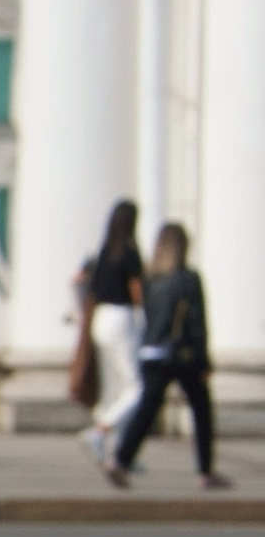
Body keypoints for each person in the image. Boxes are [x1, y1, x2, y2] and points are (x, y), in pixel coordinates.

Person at [105, 221, 230, 490]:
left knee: (146, 410)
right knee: (201, 412)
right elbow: (196, 321)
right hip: (182, 354)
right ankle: (205, 471)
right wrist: (204, 359)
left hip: (152, 352)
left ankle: (121, 461)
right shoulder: (188, 278)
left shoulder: (150, 279)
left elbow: (148, 317)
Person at [74, 198, 144, 458]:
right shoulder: (129, 252)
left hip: (99, 318)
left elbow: (80, 280)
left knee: (112, 387)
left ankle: (116, 452)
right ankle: (101, 431)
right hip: (121, 317)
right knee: (137, 387)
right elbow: (137, 291)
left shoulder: (103, 251)